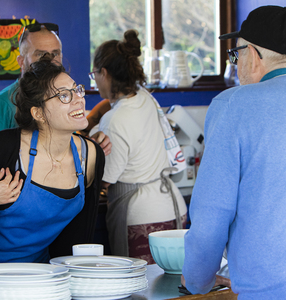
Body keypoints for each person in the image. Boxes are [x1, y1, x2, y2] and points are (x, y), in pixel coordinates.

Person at [181, 5, 286, 299]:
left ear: (252, 55)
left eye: (235, 54)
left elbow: (211, 218)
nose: (236, 62)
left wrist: (198, 281)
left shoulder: (234, 105)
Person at [0, 54, 105, 263]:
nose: (79, 98)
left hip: (46, 277)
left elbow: (78, 235)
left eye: (77, 89)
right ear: (38, 113)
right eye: (64, 96)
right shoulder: (1, 148)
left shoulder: (91, 156)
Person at [91, 29, 187, 263]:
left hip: (142, 216)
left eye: (94, 74)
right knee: (172, 288)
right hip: (174, 208)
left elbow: (105, 179)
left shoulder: (114, 121)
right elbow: (112, 103)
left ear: (104, 73)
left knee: (141, 291)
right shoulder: (145, 97)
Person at [0, 22, 111, 155]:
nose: (50, 61)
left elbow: (66, 145)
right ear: (21, 61)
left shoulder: (67, 97)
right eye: (40, 55)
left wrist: (89, 145)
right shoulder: (2, 103)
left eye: (55, 53)